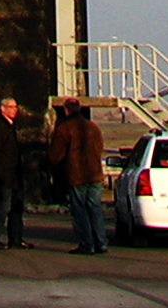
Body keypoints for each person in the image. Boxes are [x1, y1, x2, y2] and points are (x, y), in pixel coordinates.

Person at [48, 97, 108, 253]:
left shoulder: (64, 129)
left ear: (66, 110)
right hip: (95, 174)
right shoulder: (93, 127)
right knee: (95, 208)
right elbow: (100, 147)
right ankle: (101, 242)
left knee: (79, 210)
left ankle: (86, 244)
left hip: (77, 175)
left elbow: (55, 155)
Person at [0, 96, 27, 249]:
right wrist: (0, 173)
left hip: (14, 175)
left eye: (15, 107)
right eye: (11, 107)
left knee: (16, 207)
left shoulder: (10, 126)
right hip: (5, 175)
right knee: (3, 206)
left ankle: (16, 238)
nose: (15, 110)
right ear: (3, 109)